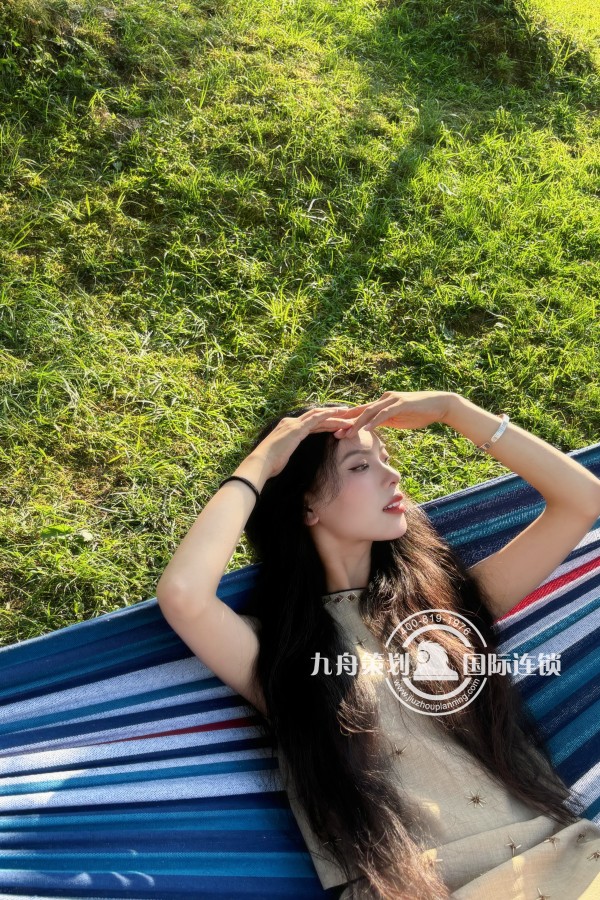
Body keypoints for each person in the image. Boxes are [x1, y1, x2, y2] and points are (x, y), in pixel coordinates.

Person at [155, 390, 600, 899]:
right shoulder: (279, 652)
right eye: (361, 466)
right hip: (418, 888)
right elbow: (184, 593)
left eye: (386, 459)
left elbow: (583, 500)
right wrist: (262, 463)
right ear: (306, 504)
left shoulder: (449, 607)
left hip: (568, 864)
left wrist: (455, 410)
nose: (394, 477)